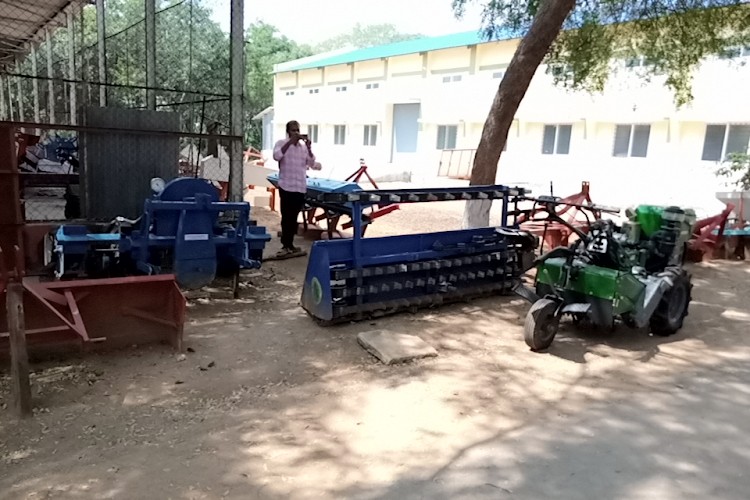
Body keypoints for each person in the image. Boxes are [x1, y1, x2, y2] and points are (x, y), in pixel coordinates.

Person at [272, 120, 320, 259]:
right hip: (286, 186)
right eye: (293, 130)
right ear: (288, 132)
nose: (296, 133)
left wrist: (309, 147)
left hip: (299, 187)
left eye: (297, 130)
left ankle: (290, 245)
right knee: (286, 217)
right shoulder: (281, 143)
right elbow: (277, 156)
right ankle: (285, 244)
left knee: (294, 217)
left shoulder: (303, 148)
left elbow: (311, 163)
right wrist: (289, 142)